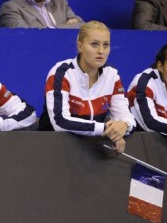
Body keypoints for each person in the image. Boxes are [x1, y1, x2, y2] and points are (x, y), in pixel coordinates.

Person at [39, 21, 135, 153]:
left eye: (105, 45)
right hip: (53, 149)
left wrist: (124, 126)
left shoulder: (112, 75)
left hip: (92, 152)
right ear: (80, 46)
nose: (101, 51)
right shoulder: (60, 73)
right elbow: (60, 121)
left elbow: (126, 116)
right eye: (94, 44)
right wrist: (107, 129)